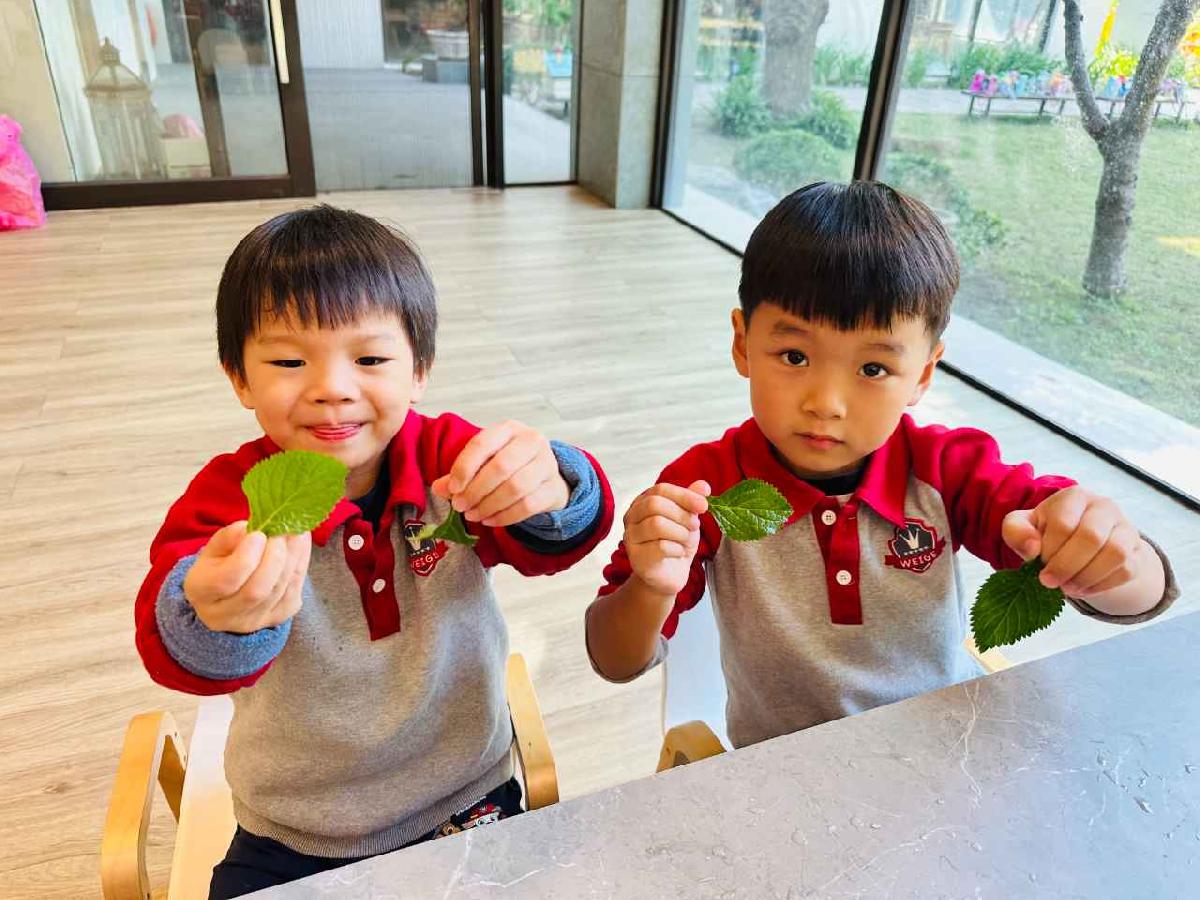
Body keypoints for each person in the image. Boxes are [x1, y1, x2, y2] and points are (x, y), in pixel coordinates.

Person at [585, 181, 1176, 751]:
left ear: (923, 374)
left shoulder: (948, 469)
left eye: (873, 369)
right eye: (794, 355)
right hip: (785, 771)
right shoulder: (706, 487)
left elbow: (1138, 597)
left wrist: (1109, 554)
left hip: (941, 749)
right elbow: (615, 659)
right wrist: (650, 586)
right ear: (743, 344)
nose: (826, 403)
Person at [134, 205, 613, 897]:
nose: (333, 388)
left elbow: (554, 539)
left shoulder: (450, 458)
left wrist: (555, 484)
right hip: (291, 830)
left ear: (419, 370)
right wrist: (214, 615)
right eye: (289, 361)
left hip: (463, 795)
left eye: (370, 359)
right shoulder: (231, 502)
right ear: (239, 377)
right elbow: (178, 643)